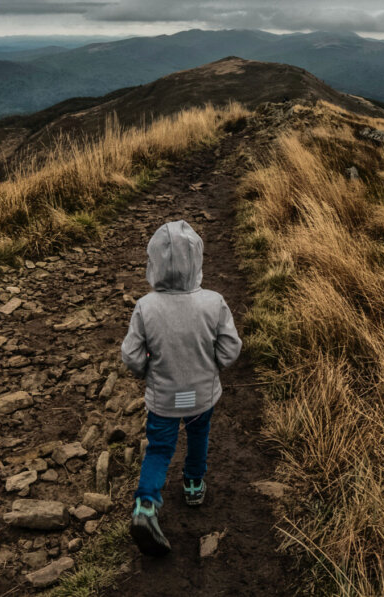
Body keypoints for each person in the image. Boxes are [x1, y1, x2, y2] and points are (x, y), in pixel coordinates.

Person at [121, 220, 242, 556]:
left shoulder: (146, 307)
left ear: (154, 263)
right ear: (197, 260)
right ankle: (192, 484)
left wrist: (149, 371)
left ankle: (145, 508)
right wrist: (212, 366)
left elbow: (131, 356)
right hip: (202, 395)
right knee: (198, 436)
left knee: (159, 449)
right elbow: (231, 349)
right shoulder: (214, 303)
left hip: (163, 398)